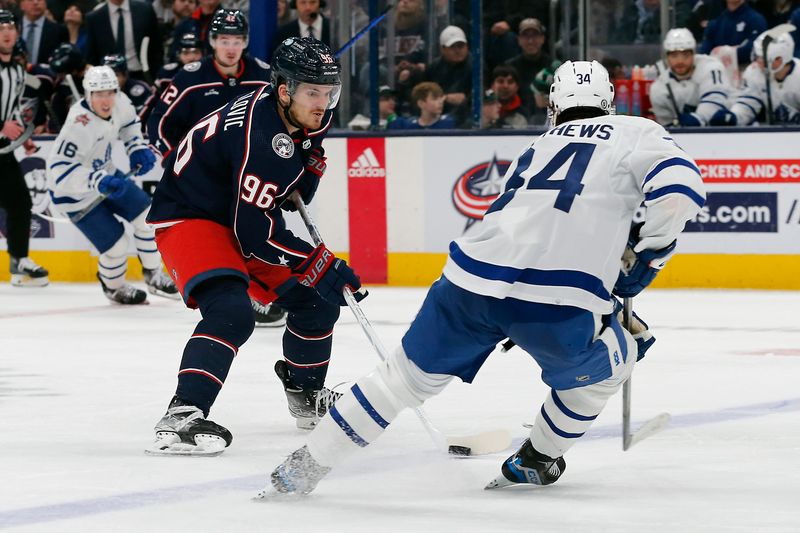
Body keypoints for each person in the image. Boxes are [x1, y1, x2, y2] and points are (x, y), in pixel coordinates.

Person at [269, 60, 707, 495]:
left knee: (399, 380)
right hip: (559, 302)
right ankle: (536, 459)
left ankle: (304, 467)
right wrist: (649, 254)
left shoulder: (537, 146)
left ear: (554, 104)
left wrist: (510, 302)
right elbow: (680, 193)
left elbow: (511, 216)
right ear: (609, 102)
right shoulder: (637, 130)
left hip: (471, 280)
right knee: (619, 357)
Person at [145, 37, 366, 456]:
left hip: (235, 212)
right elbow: (255, 235)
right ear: (284, 90)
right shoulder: (264, 138)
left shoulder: (291, 115)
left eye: (328, 92)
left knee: (318, 303)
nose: (323, 103)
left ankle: (305, 396)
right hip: (193, 217)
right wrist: (320, 262)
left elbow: (281, 196)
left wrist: (309, 162)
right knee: (230, 310)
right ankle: (184, 411)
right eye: (312, 92)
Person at [146, 9, 284, 326]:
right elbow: (159, 123)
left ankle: (261, 292)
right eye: (224, 40)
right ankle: (238, 293)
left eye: (237, 40)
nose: (231, 47)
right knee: (218, 236)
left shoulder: (263, 76)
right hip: (202, 180)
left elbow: (280, 123)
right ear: (212, 42)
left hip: (248, 174)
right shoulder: (190, 77)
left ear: (246, 42)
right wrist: (177, 165)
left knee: (256, 232)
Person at [45, 65, 175, 304]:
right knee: (117, 246)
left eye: (109, 92)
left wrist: (135, 147)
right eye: (98, 94)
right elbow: (58, 173)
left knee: (148, 217)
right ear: (87, 95)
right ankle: (113, 287)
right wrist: (97, 179)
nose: (105, 100)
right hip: (74, 195)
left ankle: (154, 274)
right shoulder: (78, 125)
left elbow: (129, 125)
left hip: (106, 174)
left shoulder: (121, 101)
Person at [0, 10, 49, 287]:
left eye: (10, 27)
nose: (6, 32)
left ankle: (19, 263)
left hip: (4, 151)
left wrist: (22, 135)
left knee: (21, 204)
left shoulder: (18, 70)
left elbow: (14, 109)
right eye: (1, 27)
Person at [649, 28, 731, 127]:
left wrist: (698, 118)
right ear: (667, 57)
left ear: (693, 54)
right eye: (674, 56)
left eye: (685, 55)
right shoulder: (659, 88)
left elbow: (715, 100)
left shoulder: (711, 67)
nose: (680, 61)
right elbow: (666, 126)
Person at [719, 32, 800, 125]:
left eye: (762, 57)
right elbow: (748, 104)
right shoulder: (754, 72)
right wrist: (734, 117)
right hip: (774, 133)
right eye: (757, 56)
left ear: (779, 60)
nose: (758, 61)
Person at [84, 0, 163, 81]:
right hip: (109, 79)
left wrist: (157, 76)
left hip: (143, 74)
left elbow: (157, 46)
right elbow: (92, 55)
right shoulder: (94, 17)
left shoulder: (145, 9)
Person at [425, 25, 472, 127]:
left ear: (467, 46)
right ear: (442, 49)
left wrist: (467, 99)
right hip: (438, 114)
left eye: (460, 46)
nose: (457, 50)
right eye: (452, 47)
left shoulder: (476, 66)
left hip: (468, 116)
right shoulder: (433, 68)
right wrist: (444, 98)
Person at [505, 18, 551, 116]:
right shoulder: (509, 67)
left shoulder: (553, 67)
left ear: (543, 39)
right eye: (526, 36)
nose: (530, 41)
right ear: (519, 40)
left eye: (535, 35)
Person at [699, 0, 766, 66]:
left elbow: (753, 50)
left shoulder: (756, 20)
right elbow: (703, 54)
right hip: (718, 70)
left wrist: (721, 53)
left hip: (746, 71)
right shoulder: (716, 23)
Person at [102, 53, 154, 120]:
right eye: (106, 75)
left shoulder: (140, 91)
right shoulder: (95, 93)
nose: (110, 80)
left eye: (116, 75)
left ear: (125, 75)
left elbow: (142, 120)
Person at [388, 81, 456, 130]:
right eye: (435, 99)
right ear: (421, 103)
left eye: (440, 98)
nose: (440, 102)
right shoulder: (408, 126)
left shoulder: (449, 123)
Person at [19, 0, 69, 65]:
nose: (35, 2)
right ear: (22, 5)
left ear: (45, 4)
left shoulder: (59, 31)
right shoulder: (11, 28)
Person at [153, 32, 203, 96]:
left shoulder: (210, 73)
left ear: (203, 54)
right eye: (186, 53)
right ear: (178, 55)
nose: (191, 57)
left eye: (196, 52)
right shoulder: (166, 74)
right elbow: (154, 100)